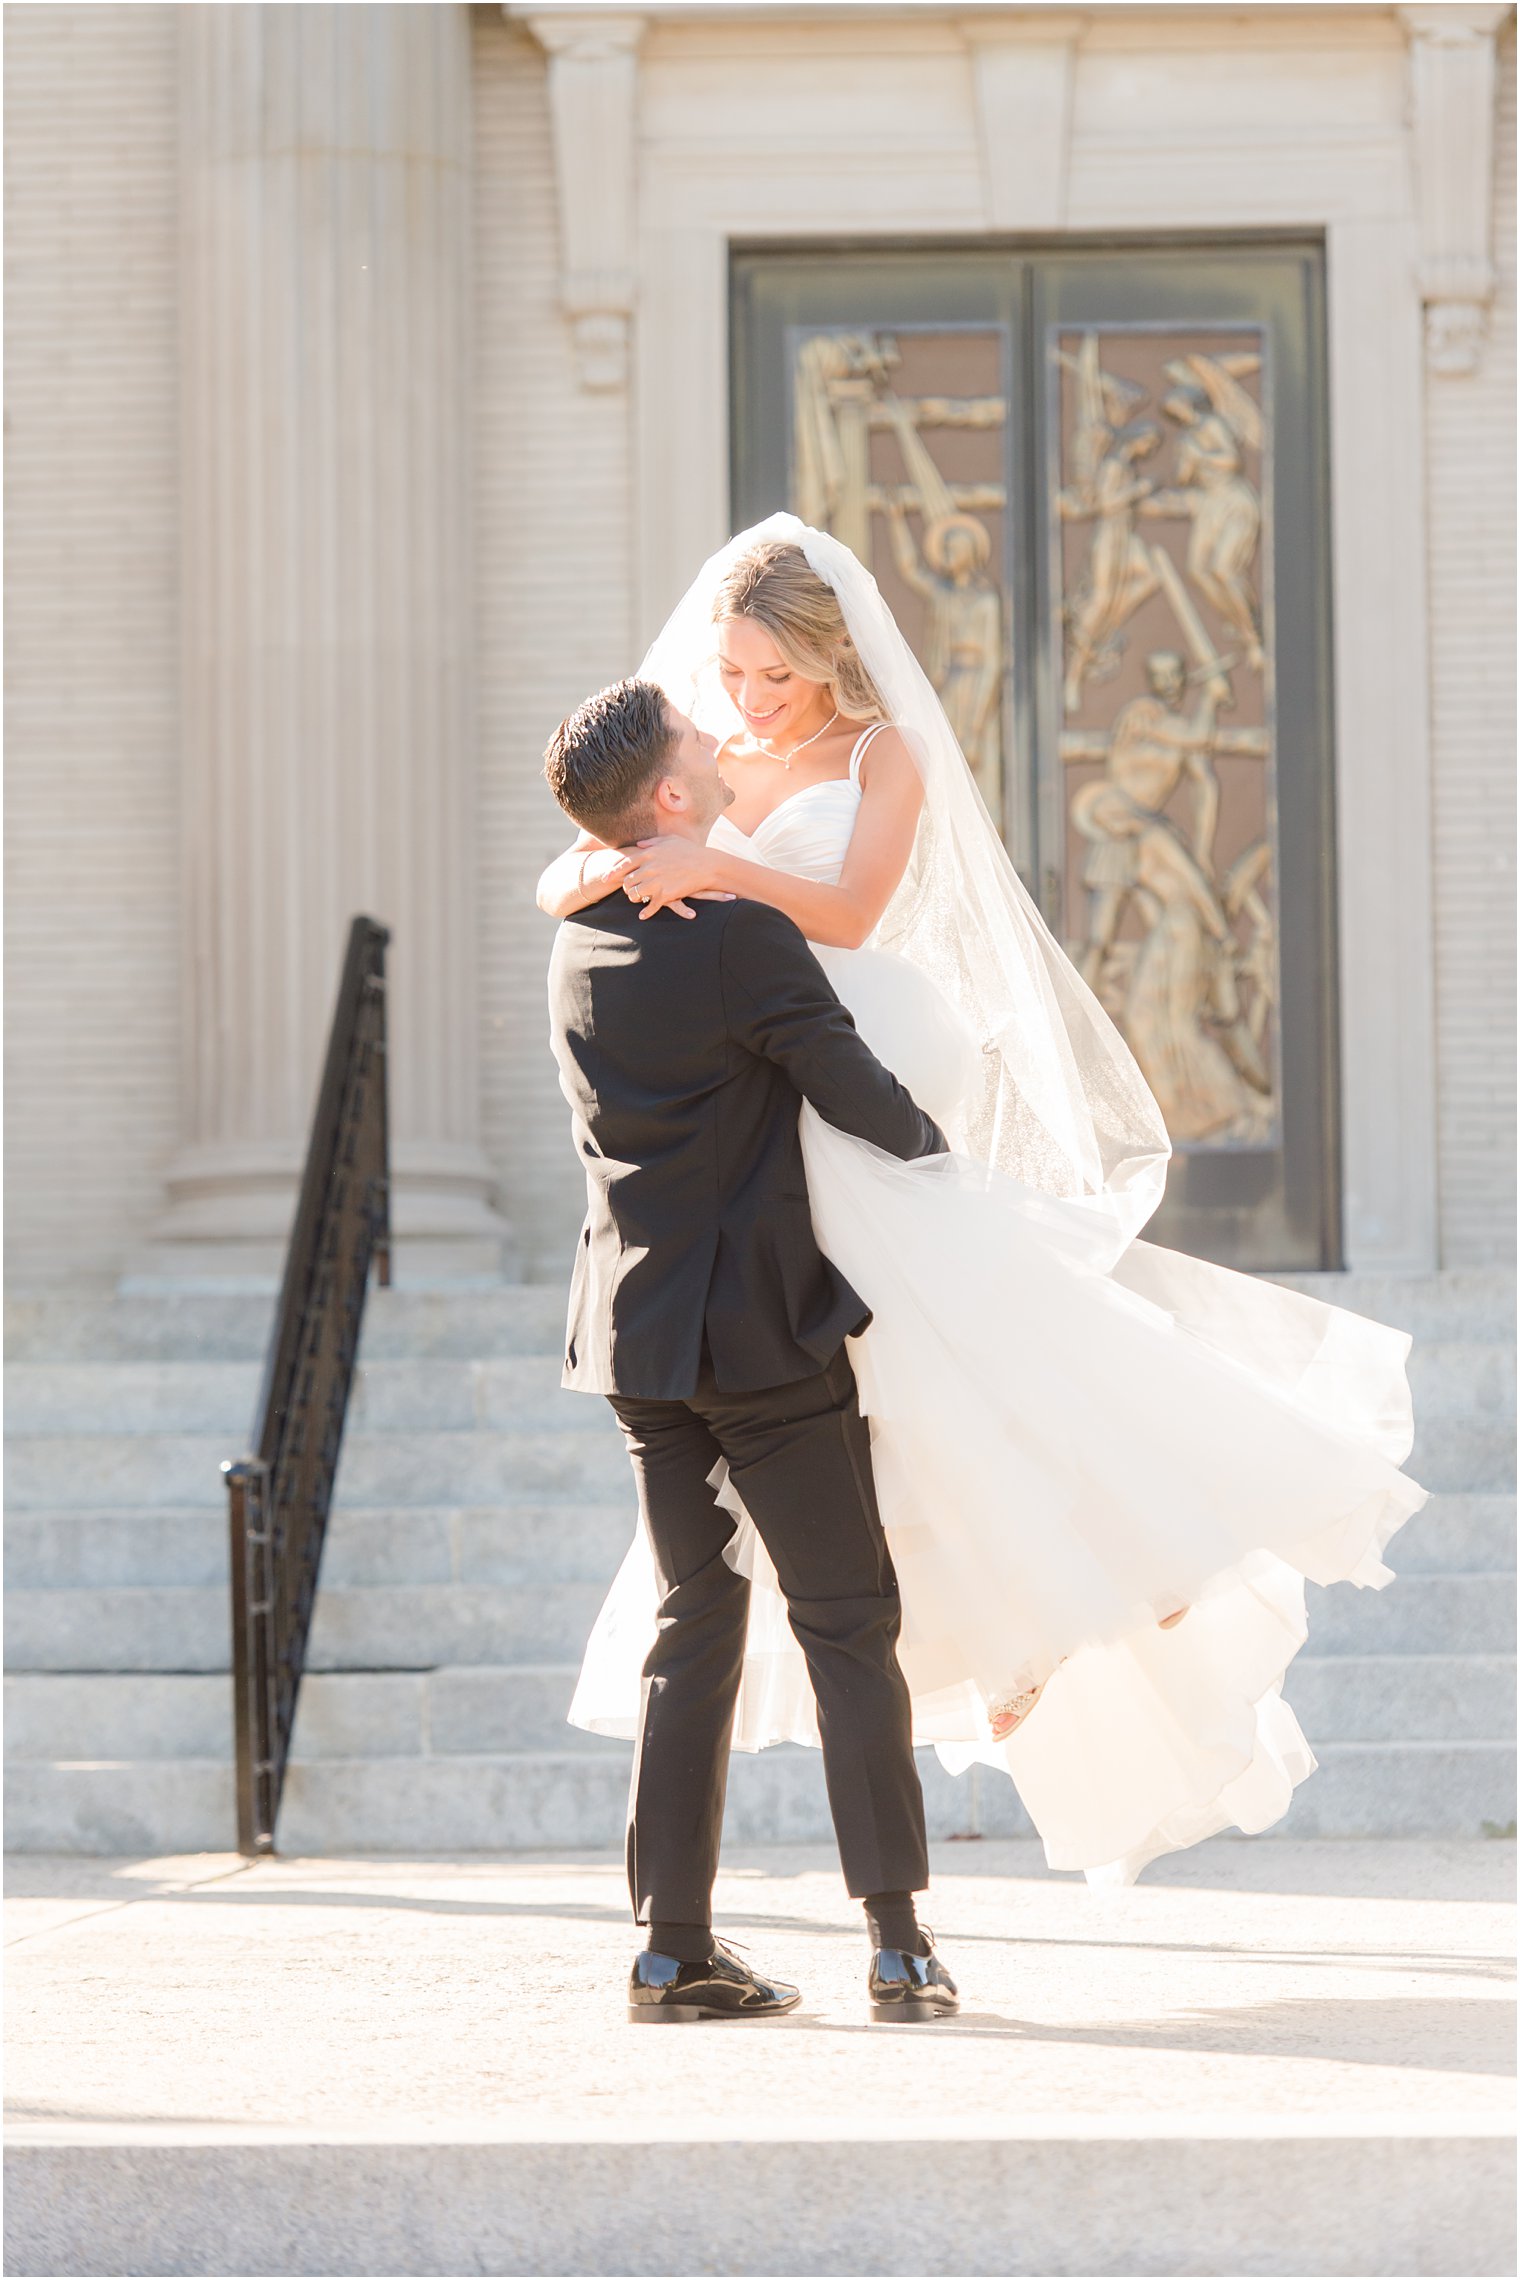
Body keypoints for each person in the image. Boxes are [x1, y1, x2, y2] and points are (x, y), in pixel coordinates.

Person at [538, 515, 1427, 1889]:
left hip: (850, 1057)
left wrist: (712, 870)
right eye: (733, 671)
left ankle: (1126, 1542)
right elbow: (587, 849)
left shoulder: (881, 753)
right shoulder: (709, 756)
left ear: (831, 656)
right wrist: (592, 869)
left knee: (962, 1330)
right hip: (759, 1093)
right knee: (871, 1380)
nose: (747, 698)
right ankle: (993, 1628)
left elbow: (846, 908)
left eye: (772, 673)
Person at [543, 676, 961, 2023]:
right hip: (765, 1338)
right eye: (696, 743)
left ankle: (671, 1949)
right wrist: (953, 1165)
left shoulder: (576, 938)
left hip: (637, 1336)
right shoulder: (736, 934)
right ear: (670, 800)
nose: (723, 743)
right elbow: (852, 1089)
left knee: (694, 1624)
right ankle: (897, 1943)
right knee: (846, 1617)